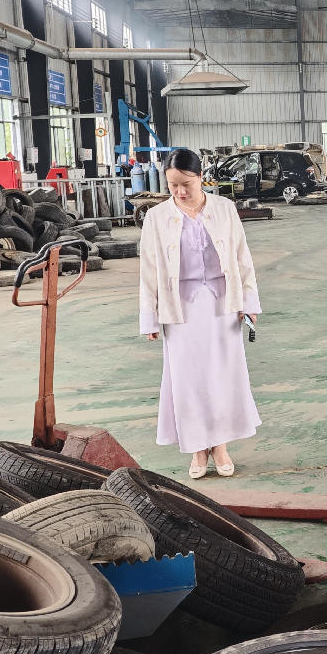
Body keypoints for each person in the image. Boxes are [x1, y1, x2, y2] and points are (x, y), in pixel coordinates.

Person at [139, 148, 261, 478]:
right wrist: (149, 316)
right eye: (173, 185)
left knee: (222, 377)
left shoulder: (224, 208)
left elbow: (242, 257)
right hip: (180, 310)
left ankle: (220, 445)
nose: (180, 191)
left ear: (200, 178)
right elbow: (149, 270)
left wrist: (249, 303)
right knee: (188, 380)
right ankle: (196, 448)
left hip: (223, 306)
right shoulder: (156, 217)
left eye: (186, 184)